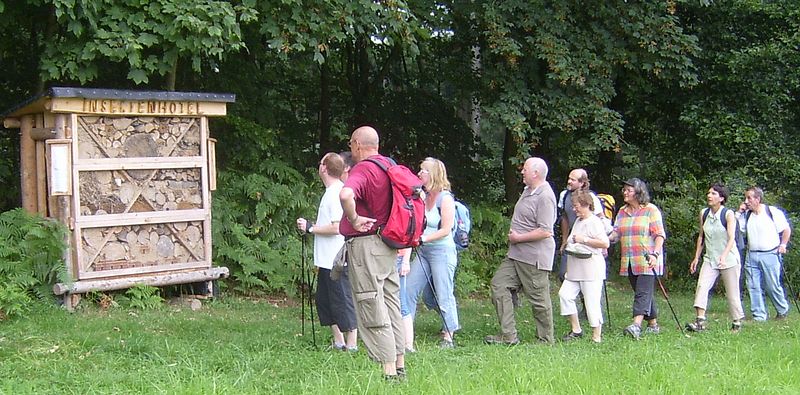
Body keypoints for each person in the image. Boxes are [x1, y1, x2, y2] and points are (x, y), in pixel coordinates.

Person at [338, 126, 405, 381]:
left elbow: (346, 194)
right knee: (391, 304)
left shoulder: (364, 168)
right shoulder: (390, 165)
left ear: (356, 144)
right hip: (389, 244)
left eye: (351, 144)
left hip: (367, 245)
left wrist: (354, 219)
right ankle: (400, 365)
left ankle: (388, 372)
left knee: (370, 303)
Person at [484, 157, 557, 345]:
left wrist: (519, 238)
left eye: (524, 169)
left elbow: (546, 230)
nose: (521, 172)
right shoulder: (528, 190)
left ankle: (545, 339)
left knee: (539, 299)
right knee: (499, 286)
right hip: (516, 254)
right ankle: (509, 336)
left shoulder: (545, 196)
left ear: (536, 173)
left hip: (534, 257)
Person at [296, 153, 358, 351]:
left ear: (324, 168)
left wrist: (310, 228)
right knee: (325, 301)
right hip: (325, 259)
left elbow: (337, 227)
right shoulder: (331, 191)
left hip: (336, 259)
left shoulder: (336, 193)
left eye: (321, 163)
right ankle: (338, 341)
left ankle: (352, 344)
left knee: (342, 299)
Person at [403, 157, 460, 349]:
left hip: (442, 251)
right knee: (409, 288)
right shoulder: (422, 197)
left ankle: (449, 335)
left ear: (433, 174)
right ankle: (405, 332)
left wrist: (423, 239)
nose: (419, 174)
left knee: (444, 292)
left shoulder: (446, 199)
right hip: (423, 251)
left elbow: (446, 229)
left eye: (423, 171)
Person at [609, 178, 665, 340]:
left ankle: (636, 325)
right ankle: (653, 324)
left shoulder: (650, 210)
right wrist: (604, 240)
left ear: (638, 192)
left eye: (629, 190)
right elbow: (616, 233)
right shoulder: (622, 211)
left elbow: (659, 235)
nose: (625, 193)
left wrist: (655, 254)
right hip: (630, 260)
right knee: (643, 292)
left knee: (642, 292)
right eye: (624, 190)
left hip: (648, 259)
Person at [685, 183, 745, 333]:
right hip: (710, 258)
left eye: (713, 194)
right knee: (702, 286)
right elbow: (701, 236)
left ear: (721, 198)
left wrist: (723, 256)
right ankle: (700, 322)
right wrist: (696, 258)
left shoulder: (728, 214)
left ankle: (736, 322)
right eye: (709, 193)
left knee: (732, 292)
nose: (709, 196)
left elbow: (732, 238)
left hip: (729, 259)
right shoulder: (704, 213)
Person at [558, 190, 609, 343]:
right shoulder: (579, 221)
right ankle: (576, 329)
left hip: (591, 268)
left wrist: (584, 240)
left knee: (591, 301)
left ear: (586, 205)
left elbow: (604, 243)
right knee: (565, 295)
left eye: (577, 206)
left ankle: (596, 336)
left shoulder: (594, 222)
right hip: (575, 267)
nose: (574, 209)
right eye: (573, 206)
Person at [736, 186, 792, 321]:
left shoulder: (771, 212)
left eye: (749, 198)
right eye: (745, 198)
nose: (746, 201)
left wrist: (783, 245)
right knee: (753, 285)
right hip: (752, 254)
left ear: (757, 199)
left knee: (771, 285)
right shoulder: (747, 215)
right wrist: (739, 212)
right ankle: (759, 315)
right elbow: (738, 230)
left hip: (770, 253)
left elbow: (786, 229)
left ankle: (782, 309)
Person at [557, 169, 604, 282]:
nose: (569, 181)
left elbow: (601, 218)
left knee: (587, 278)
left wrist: (600, 242)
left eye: (572, 180)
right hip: (572, 239)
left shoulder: (591, 197)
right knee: (563, 274)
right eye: (569, 178)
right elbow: (565, 218)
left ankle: (587, 299)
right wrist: (564, 240)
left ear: (582, 183)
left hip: (590, 242)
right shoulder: (564, 195)